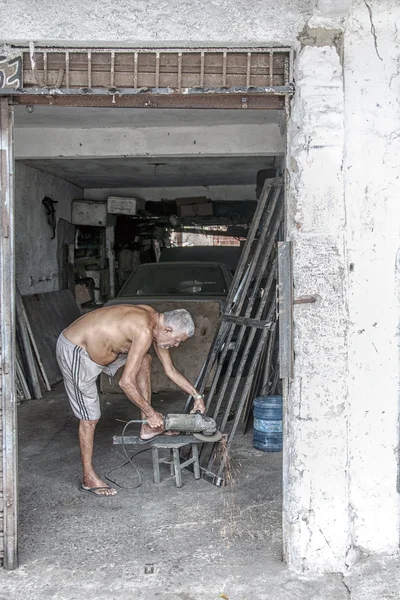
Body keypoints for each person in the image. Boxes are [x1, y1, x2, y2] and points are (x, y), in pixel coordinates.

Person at [56, 305, 206, 497]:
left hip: (106, 351)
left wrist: (197, 396)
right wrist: (151, 412)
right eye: (176, 341)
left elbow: (170, 370)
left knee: (145, 360)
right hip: (78, 350)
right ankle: (88, 477)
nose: (176, 345)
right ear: (167, 330)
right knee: (90, 417)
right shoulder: (143, 331)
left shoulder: (155, 322)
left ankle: (147, 428)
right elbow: (125, 382)